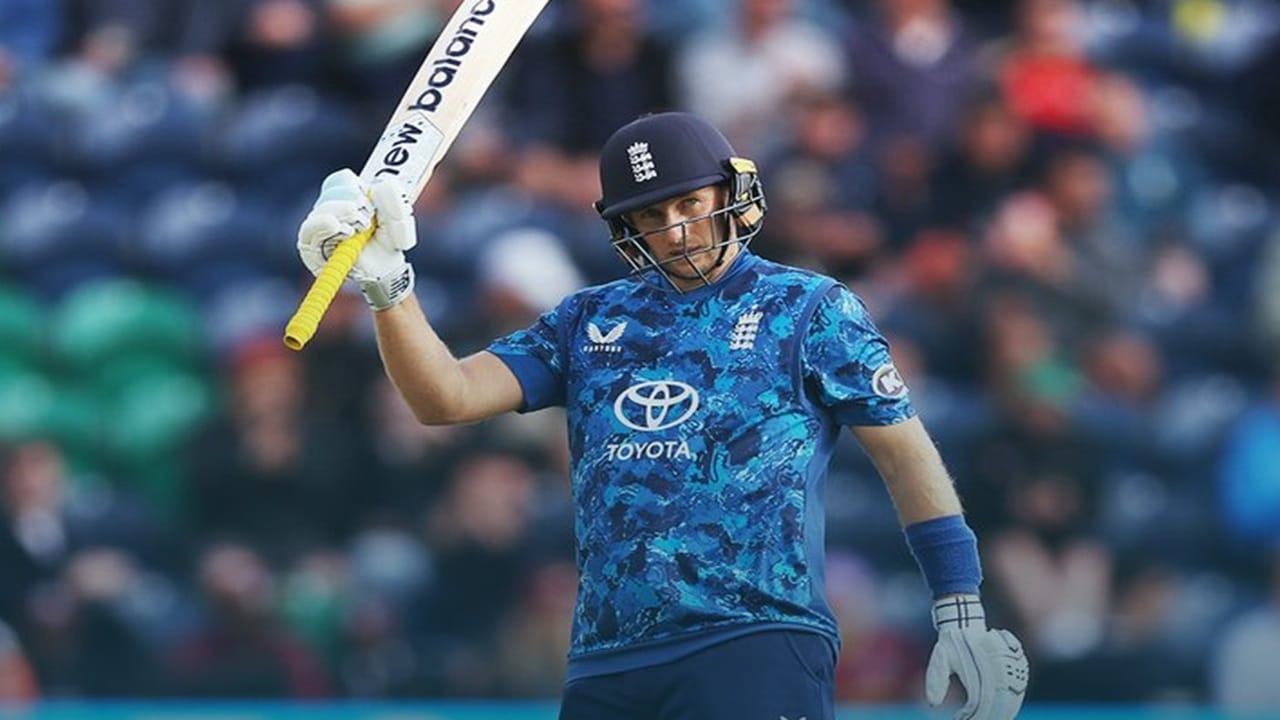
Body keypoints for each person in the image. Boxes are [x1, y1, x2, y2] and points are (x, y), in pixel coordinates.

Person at [296, 111, 1028, 719]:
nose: (676, 231)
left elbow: (905, 454)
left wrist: (957, 605)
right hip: (607, 657)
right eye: (651, 215)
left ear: (731, 192)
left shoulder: (809, 306)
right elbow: (446, 397)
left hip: (756, 639)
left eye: (690, 204)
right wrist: (389, 289)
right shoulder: (586, 320)